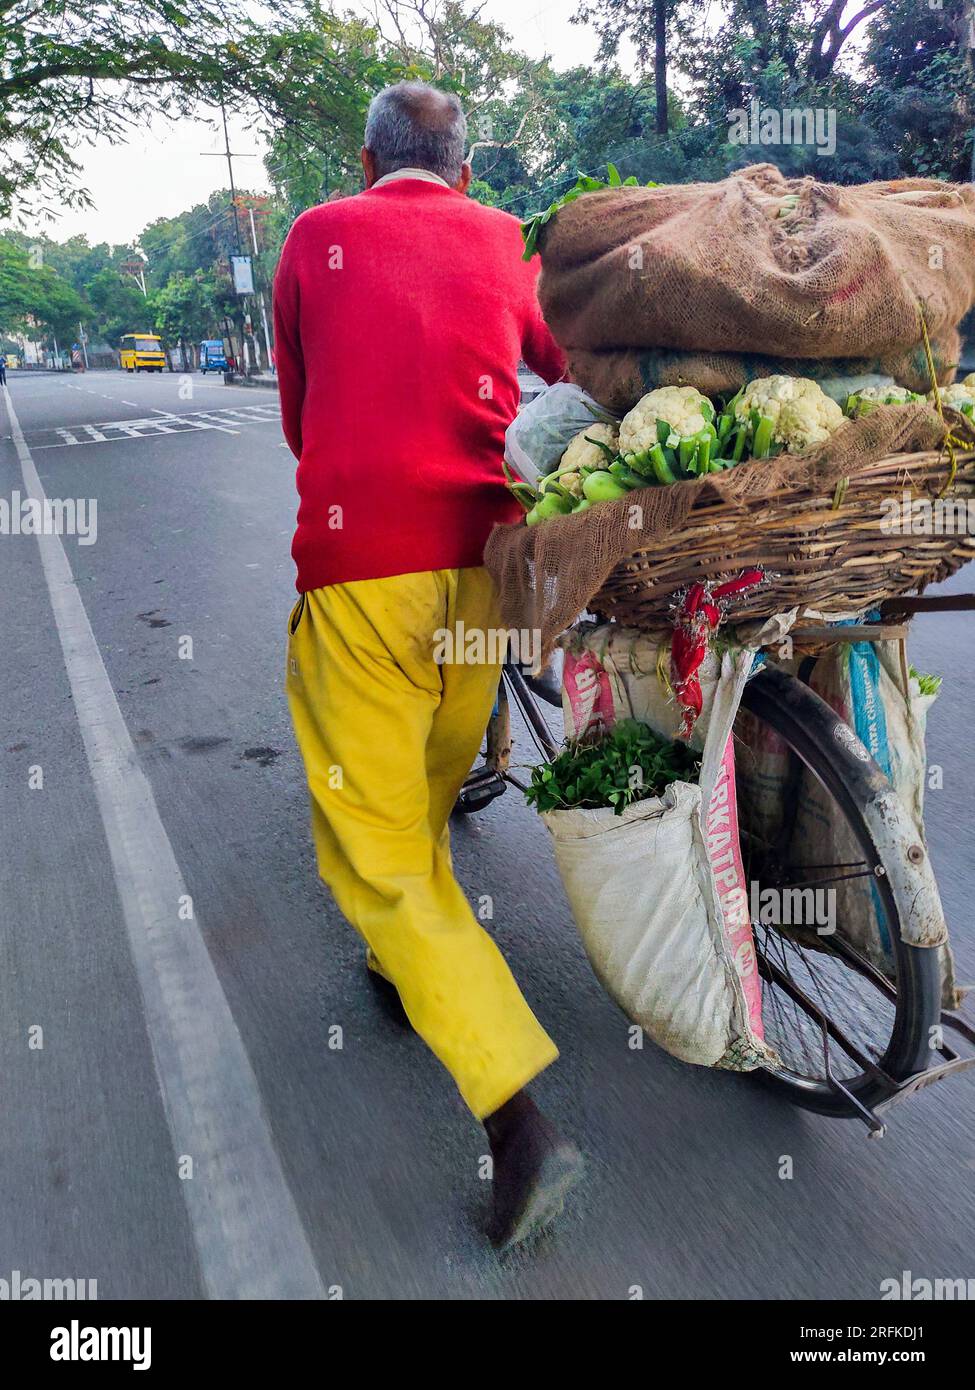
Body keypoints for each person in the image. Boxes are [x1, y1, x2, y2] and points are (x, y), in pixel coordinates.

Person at [274, 80, 583, 1252]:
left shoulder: (314, 237)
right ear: (462, 168)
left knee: (377, 849)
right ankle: (409, 966)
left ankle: (518, 1125)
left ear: (366, 162)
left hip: (361, 579)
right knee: (428, 800)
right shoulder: (507, 239)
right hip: (485, 581)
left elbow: (301, 427)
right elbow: (567, 375)